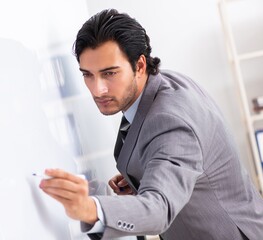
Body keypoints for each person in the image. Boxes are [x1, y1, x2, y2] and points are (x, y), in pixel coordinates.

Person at [39, 9, 263, 240]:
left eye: (109, 73)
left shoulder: (171, 121)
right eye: (88, 75)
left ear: (140, 65)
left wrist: (90, 209)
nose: (98, 89)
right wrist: (144, 171)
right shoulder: (163, 84)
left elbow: (160, 208)